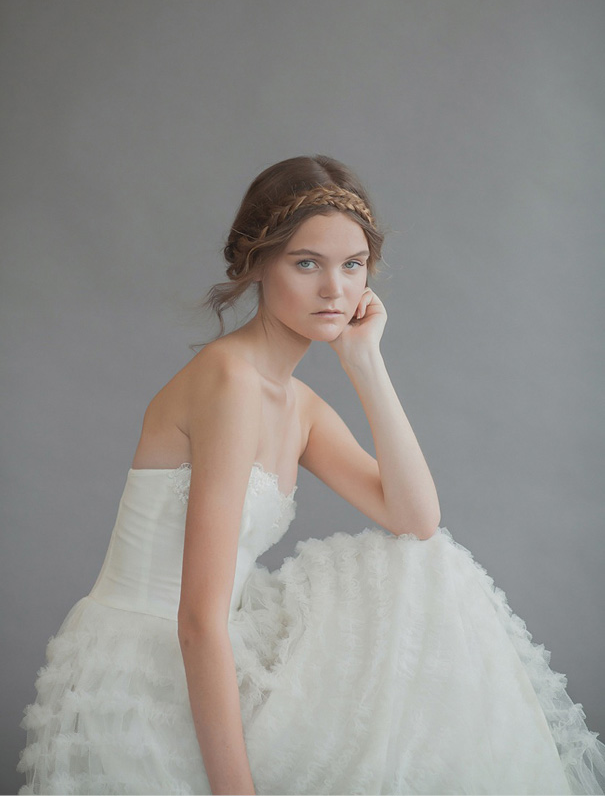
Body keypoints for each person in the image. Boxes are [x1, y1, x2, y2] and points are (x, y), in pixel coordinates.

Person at [17, 155, 605, 795]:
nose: (334, 290)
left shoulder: (298, 405)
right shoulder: (229, 381)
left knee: (428, 568)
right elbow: (197, 619)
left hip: (219, 647)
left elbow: (416, 521)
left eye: (353, 265)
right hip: (151, 665)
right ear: (256, 264)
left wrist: (365, 362)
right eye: (306, 263)